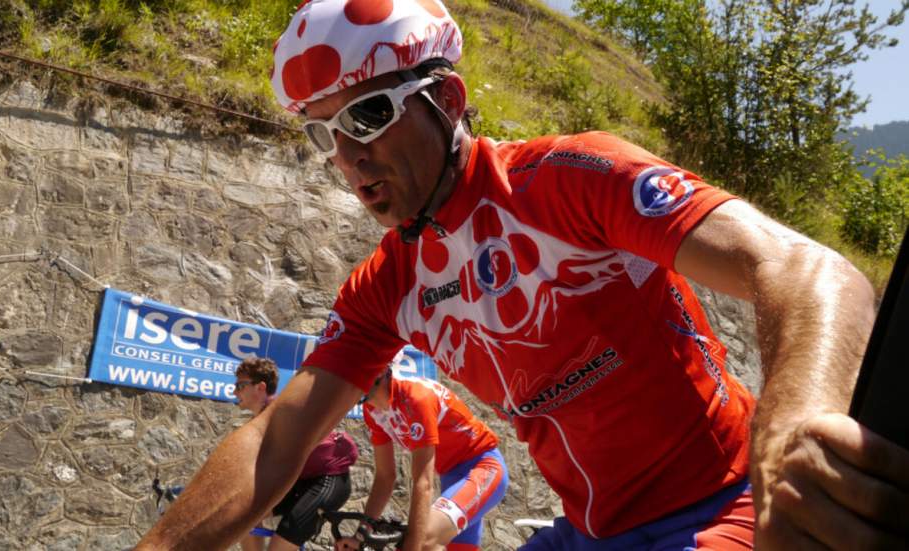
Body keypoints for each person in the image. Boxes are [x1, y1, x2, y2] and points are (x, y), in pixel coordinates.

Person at [137, 1, 909, 550]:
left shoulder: (567, 179)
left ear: (447, 98)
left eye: (367, 117)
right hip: (591, 530)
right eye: (323, 134)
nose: (348, 156)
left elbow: (812, 270)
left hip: (722, 502)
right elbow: (277, 438)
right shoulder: (387, 283)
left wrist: (788, 432)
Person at [334, 365, 507, 551]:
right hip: (451, 479)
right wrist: (360, 536)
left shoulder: (416, 398)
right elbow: (385, 477)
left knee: (421, 541)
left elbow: (423, 483)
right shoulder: (372, 411)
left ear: (381, 370)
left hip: (483, 468)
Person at [233, 357, 358, 551]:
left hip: (330, 479)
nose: (235, 391)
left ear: (261, 387)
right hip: (302, 481)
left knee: (281, 543)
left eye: (241, 385)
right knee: (245, 515)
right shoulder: (259, 421)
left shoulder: (284, 412)